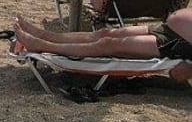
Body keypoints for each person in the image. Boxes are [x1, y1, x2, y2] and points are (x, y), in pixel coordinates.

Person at [12, 10, 192, 82]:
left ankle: (43, 46)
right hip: (167, 29)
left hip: (175, 44)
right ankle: (44, 35)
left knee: (107, 44)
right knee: (105, 33)